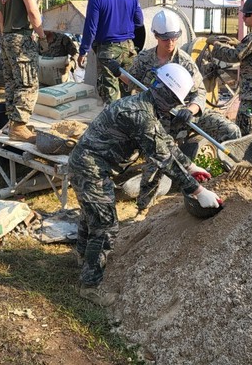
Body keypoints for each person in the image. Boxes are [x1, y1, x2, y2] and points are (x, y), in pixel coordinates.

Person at [68, 63, 219, 307]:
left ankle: (83, 255)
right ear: (168, 95)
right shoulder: (141, 115)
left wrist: (191, 167)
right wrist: (197, 191)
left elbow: (166, 143)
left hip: (91, 163)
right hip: (90, 168)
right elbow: (163, 159)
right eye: (174, 100)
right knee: (105, 226)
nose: (174, 106)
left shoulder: (147, 105)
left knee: (91, 215)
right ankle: (90, 286)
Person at [109, 9, 241, 212]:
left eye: (174, 38)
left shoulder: (185, 61)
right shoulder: (144, 59)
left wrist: (191, 109)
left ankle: (231, 179)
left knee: (229, 131)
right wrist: (118, 72)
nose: (170, 43)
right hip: (159, 118)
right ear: (155, 36)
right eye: (164, 39)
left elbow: (199, 92)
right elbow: (131, 82)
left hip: (186, 113)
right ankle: (144, 208)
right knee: (156, 162)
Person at [207, 0, 252, 137]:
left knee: (242, 139)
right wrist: (238, 43)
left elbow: (234, 56)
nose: (244, 18)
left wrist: (215, 45)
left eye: (247, 14)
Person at [77, 0, 143, 104]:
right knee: (130, 92)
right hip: (129, 49)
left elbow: (90, 28)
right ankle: (128, 124)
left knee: (110, 96)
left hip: (108, 52)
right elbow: (139, 22)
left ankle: (113, 126)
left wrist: (83, 52)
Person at [0, 0, 46, 142]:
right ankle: (18, 126)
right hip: (21, 38)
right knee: (28, 82)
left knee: (12, 81)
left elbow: (0, 18)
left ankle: (13, 122)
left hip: (6, 37)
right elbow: (33, 12)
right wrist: (42, 36)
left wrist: (4, 39)